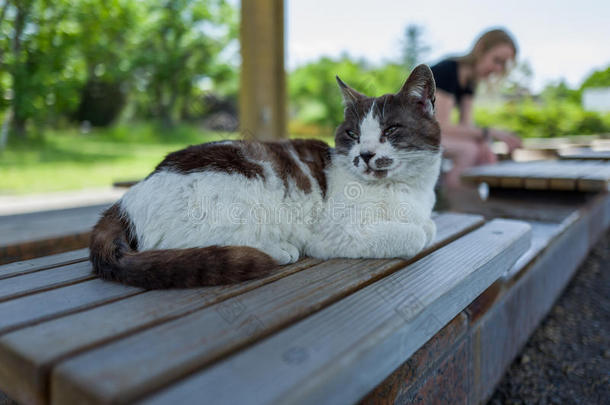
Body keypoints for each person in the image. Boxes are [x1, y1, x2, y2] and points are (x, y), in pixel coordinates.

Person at [430, 28, 523, 189]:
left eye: (503, 64)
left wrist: (485, 140)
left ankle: (472, 204)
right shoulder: (448, 70)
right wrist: (491, 132)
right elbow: (441, 126)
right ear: (480, 49)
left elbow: (467, 126)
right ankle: (454, 206)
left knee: (482, 148)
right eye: (497, 60)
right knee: (468, 150)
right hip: (406, 135)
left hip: (429, 134)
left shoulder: (470, 81)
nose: (498, 69)